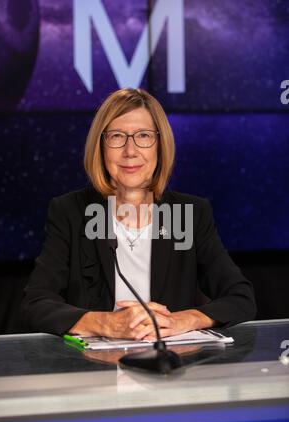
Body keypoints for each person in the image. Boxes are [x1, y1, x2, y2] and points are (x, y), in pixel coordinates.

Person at [21, 88, 256, 340]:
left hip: (170, 367)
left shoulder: (189, 214)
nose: (130, 151)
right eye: (116, 136)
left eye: (143, 136)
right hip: (94, 370)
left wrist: (183, 320)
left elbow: (241, 298)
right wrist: (104, 323)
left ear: (160, 146)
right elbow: (36, 303)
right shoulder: (70, 212)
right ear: (100, 147)